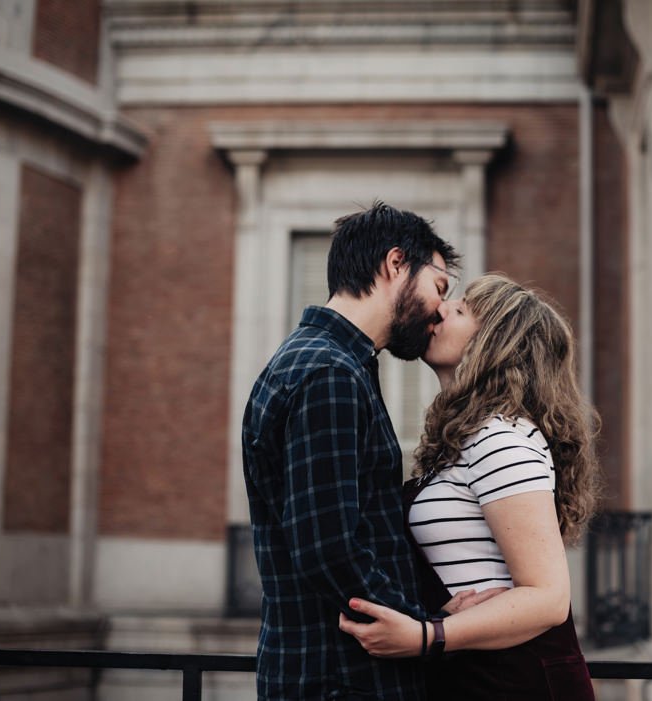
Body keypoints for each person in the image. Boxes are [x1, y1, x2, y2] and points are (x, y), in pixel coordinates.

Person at [242, 202, 470, 700]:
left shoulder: (324, 362)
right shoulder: (329, 373)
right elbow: (328, 547)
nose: (438, 311)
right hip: (342, 679)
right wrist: (423, 628)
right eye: (439, 287)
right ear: (395, 265)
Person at [339, 274, 602, 700]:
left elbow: (549, 598)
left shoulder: (502, 438)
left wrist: (427, 635)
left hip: (517, 680)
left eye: (459, 310)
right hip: (480, 674)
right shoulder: (465, 440)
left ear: (494, 344)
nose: (440, 309)